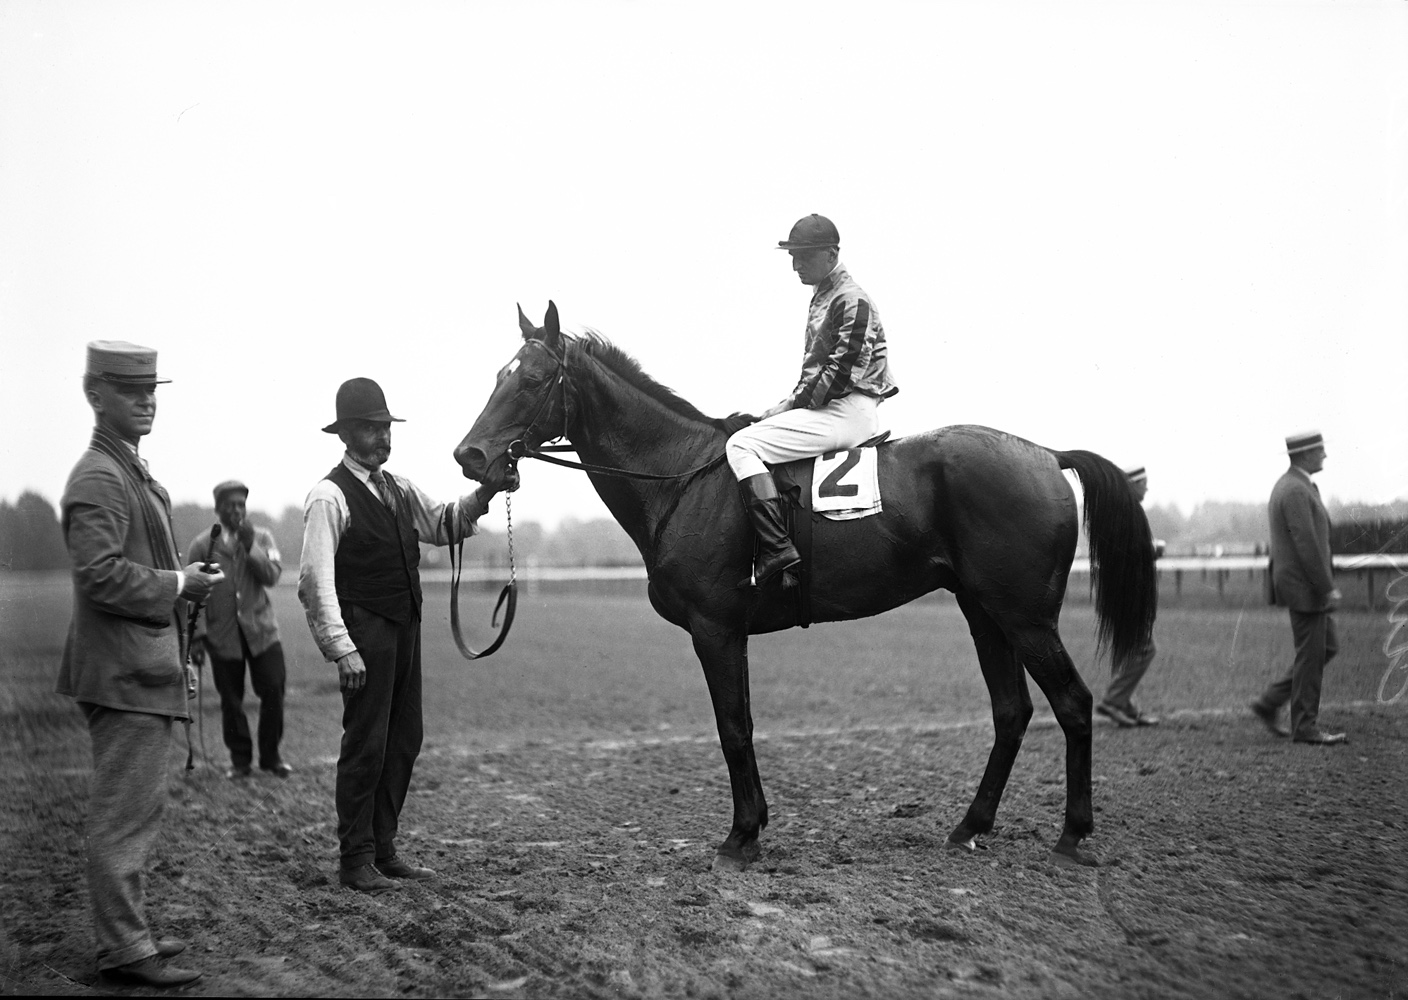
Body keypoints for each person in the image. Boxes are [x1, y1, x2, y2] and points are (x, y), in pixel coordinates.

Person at [57, 341, 224, 987]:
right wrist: (179, 584)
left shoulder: (125, 468)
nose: (147, 400)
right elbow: (99, 576)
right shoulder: (99, 476)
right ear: (95, 394)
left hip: (139, 669)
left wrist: (182, 580)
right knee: (124, 815)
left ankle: (130, 935)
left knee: (136, 811)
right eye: (132, 391)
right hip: (123, 673)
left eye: (152, 389)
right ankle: (124, 949)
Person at [298, 377, 506, 893]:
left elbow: (443, 523)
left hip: (404, 625)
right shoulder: (328, 496)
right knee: (366, 743)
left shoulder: (397, 488)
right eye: (371, 429)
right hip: (364, 630)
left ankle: (384, 848)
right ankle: (355, 858)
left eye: (386, 428)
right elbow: (313, 580)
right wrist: (341, 647)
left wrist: (488, 491)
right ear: (345, 434)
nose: (382, 438)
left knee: (404, 738)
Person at [723, 214, 898, 586]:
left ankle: (778, 549)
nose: (796, 265)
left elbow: (838, 375)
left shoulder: (852, 299)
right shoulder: (826, 296)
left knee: (740, 445)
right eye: (792, 256)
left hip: (847, 411)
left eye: (804, 255)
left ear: (832, 254)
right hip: (833, 408)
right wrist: (779, 408)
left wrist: (787, 407)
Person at [187, 479, 291, 780]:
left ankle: (271, 757)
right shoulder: (201, 545)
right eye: (230, 505)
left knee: (274, 688)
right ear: (219, 509)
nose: (237, 510)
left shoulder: (262, 537)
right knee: (231, 699)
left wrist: (250, 546)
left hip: (262, 632)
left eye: (241, 505)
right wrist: (197, 636)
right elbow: (195, 595)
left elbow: (272, 576)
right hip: (223, 636)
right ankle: (240, 761)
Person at [1249, 431, 1347, 745]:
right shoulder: (1294, 489)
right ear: (1305, 454)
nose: (1325, 456)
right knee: (1312, 654)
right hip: (1305, 587)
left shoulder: (1296, 485)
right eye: (1320, 450)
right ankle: (1305, 726)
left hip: (1302, 586)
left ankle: (1270, 702)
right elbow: (1307, 544)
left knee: (1324, 648)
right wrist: (1326, 586)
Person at [1096, 466, 1162, 727]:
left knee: (1134, 648)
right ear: (1134, 484)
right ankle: (1113, 701)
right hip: (1127, 594)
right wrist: (1152, 551)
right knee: (1145, 649)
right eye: (1144, 482)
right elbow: (1129, 553)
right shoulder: (1128, 513)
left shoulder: (1116, 511)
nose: (1147, 487)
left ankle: (1126, 705)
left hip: (1119, 594)